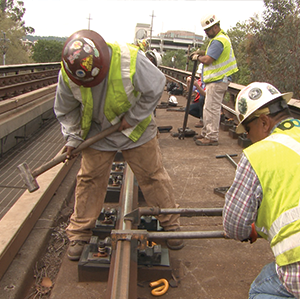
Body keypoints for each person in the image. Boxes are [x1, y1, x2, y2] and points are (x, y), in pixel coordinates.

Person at [54, 30, 184, 261]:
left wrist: (132, 117)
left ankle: (171, 223)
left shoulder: (130, 60)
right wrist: (73, 137)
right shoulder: (69, 72)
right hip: (97, 131)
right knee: (89, 179)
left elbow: (156, 86)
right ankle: (80, 232)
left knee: (153, 176)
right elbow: (67, 109)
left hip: (135, 128)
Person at [223, 82, 300, 298]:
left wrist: (252, 229)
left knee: (261, 289)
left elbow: (234, 226)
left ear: (264, 122)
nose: (249, 138)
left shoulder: (258, 154)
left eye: (247, 130)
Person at [190, 13, 238, 146]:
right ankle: (206, 133)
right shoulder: (220, 39)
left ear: (215, 27)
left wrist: (198, 57)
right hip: (217, 80)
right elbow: (210, 54)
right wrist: (203, 53)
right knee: (208, 108)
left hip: (218, 80)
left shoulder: (218, 41)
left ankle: (211, 136)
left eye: (207, 30)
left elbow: (208, 60)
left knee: (212, 109)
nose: (206, 33)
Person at [186, 63, 206, 128]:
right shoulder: (199, 81)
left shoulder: (209, 83)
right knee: (188, 109)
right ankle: (203, 117)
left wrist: (197, 85)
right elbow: (190, 92)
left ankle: (202, 120)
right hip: (200, 104)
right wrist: (189, 82)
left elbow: (205, 94)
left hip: (208, 103)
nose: (200, 75)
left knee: (202, 98)